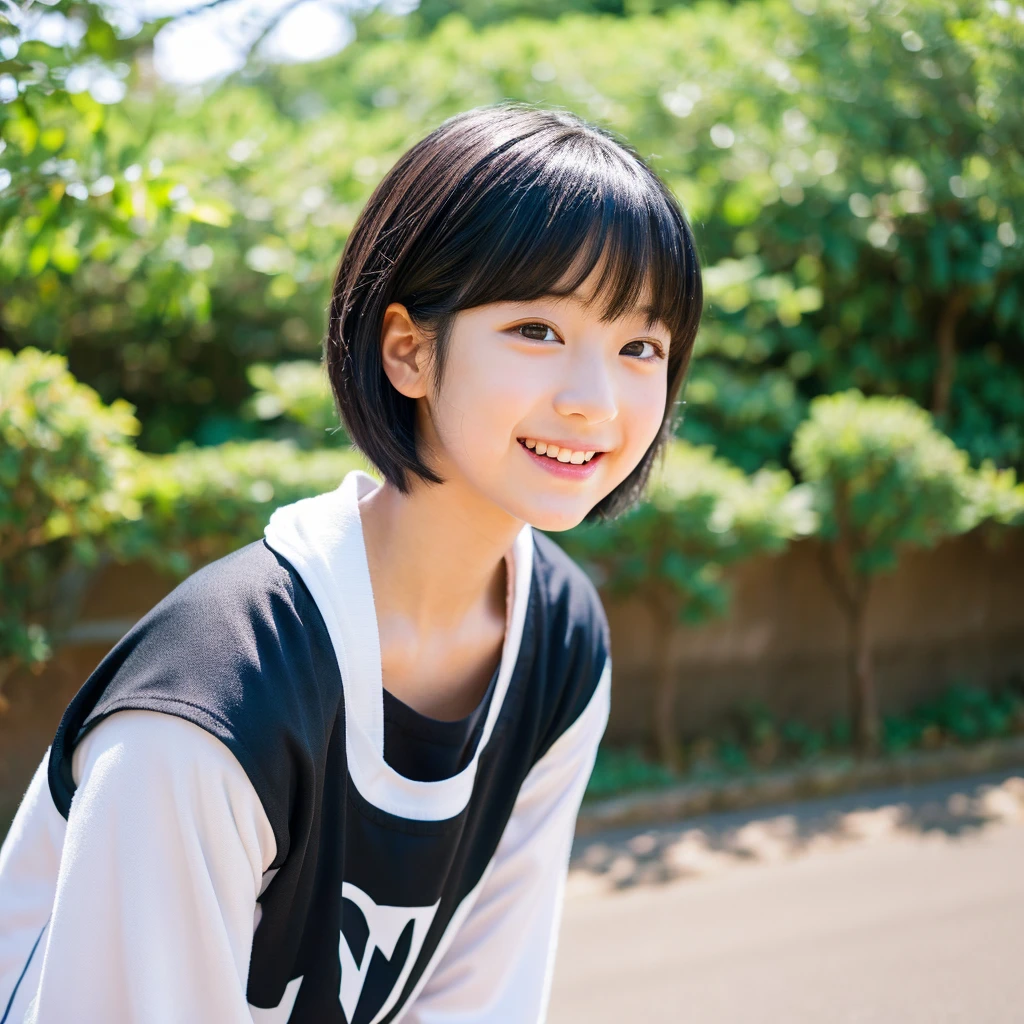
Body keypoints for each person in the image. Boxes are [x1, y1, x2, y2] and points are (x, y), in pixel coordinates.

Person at [0, 101, 702, 1023]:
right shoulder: (216, 708)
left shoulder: (561, 641)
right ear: (408, 348)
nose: (594, 401)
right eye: (538, 330)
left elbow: (481, 998)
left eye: (641, 346)